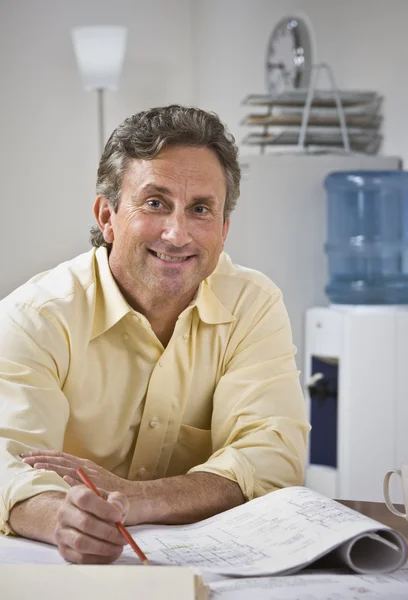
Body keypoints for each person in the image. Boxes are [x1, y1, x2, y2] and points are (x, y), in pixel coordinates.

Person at [0, 105, 310, 564]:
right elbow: (6, 458)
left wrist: (136, 498)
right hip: (58, 569)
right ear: (107, 215)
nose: (176, 233)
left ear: (224, 230)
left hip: (211, 567)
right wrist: (60, 519)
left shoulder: (253, 304)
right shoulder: (36, 315)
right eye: (155, 203)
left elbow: (272, 456)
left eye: (200, 209)